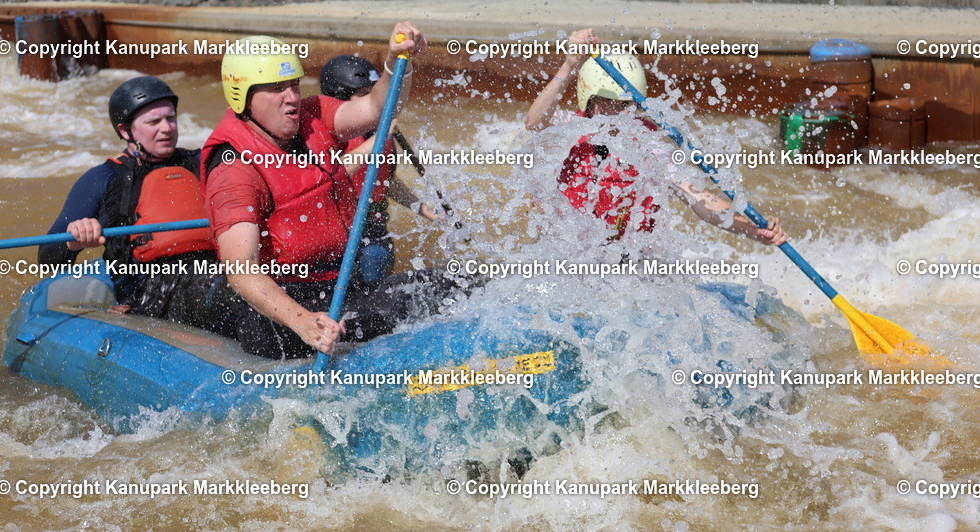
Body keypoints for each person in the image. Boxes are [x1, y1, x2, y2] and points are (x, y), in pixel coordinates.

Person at [202, 26, 473, 360]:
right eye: (276, 89)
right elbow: (241, 268)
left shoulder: (313, 114)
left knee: (458, 282)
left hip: (341, 284)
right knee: (411, 301)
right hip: (282, 313)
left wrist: (395, 60)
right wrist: (301, 321)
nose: (291, 98)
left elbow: (378, 109)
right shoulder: (234, 169)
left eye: (294, 85)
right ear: (241, 95)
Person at [525, 28, 786, 247]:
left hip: (623, 262)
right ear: (589, 99)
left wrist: (752, 230)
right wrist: (570, 64)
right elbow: (533, 123)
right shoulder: (568, 129)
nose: (619, 112)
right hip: (564, 256)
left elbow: (700, 199)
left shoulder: (648, 147)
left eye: (626, 104)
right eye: (609, 103)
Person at [39, 76, 230, 332]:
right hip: (149, 297)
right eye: (153, 122)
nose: (166, 128)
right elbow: (48, 261)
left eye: (170, 118)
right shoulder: (103, 179)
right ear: (124, 131)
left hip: (213, 277)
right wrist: (73, 241)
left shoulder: (200, 163)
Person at [319, 54, 442, 283]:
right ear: (339, 98)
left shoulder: (375, 132)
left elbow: (383, 180)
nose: (375, 103)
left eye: (374, 93)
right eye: (365, 95)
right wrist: (382, 134)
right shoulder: (326, 135)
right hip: (339, 237)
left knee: (377, 257)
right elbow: (335, 173)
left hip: (374, 234)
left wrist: (422, 208)